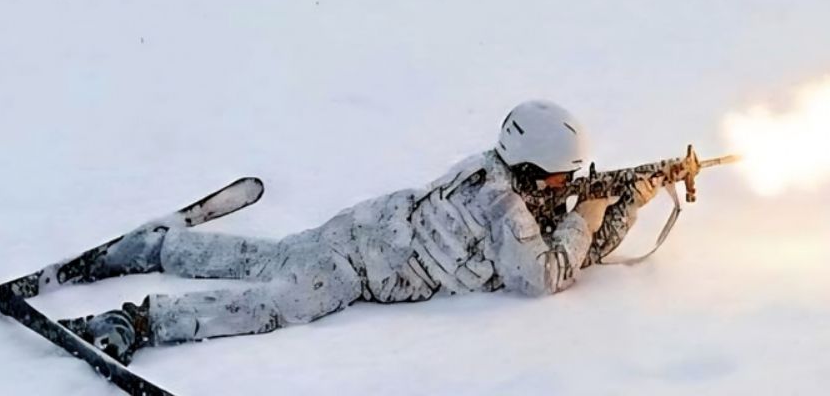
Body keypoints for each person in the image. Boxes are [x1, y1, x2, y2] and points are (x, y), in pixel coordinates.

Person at [60, 100, 659, 364]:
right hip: (358, 270)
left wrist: (626, 201)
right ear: (531, 167)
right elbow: (546, 273)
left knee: (270, 258)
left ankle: (162, 247)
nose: (565, 186)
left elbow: (564, 246)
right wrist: (589, 211)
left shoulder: (487, 168)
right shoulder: (506, 206)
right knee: (276, 304)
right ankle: (137, 322)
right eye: (561, 177)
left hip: (363, 228)